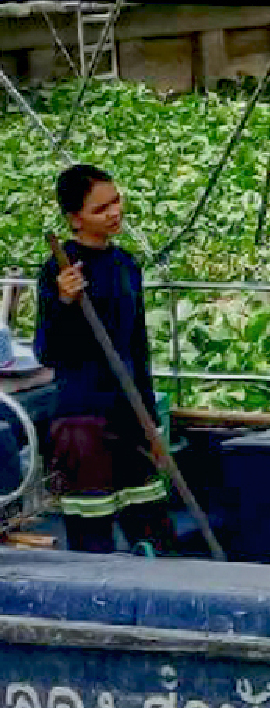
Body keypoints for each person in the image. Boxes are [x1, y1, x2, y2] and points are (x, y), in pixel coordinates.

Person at [36, 164, 172, 555]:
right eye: (100, 209)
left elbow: (137, 347)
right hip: (83, 419)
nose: (114, 213)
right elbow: (48, 350)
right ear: (75, 219)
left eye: (116, 201)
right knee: (92, 530)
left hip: (128, 412)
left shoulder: (125, 265)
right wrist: (64, 302)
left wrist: (151, 422)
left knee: (153, 527)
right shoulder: (59, 271)